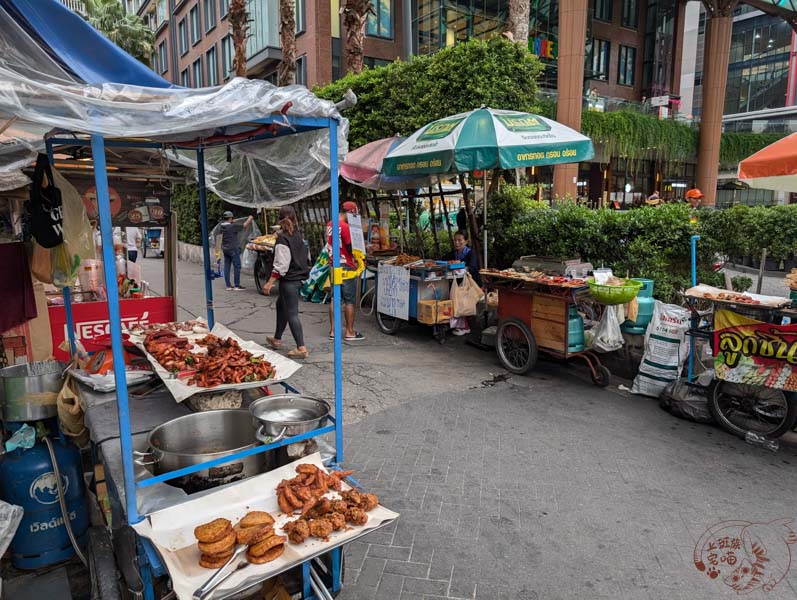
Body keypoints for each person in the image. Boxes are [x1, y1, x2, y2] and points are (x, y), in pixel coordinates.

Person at [262, 206, 310, 359]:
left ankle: (301, 348)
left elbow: (281, 264)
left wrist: (270, 282)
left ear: (279, 219)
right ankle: (277, 339)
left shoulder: (283, 238)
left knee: (292, 313)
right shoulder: (298, 235)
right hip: (299, 276)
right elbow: (306, 256)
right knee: (281, 305)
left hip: (289, 280)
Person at [327, 201, 364, 341]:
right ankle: (349, 332)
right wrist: (356, 259)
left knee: (334, 298)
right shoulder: (345, 227)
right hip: (346, 266)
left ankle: (333, 331)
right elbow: (350, 247)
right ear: (349, 212)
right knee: (349, 300)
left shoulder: (330, 224)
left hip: (333, 264)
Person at [445, 230, 481, 336]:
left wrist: (461, 266)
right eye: (455, 240)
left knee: (459, 298)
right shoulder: (453, 254)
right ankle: (455, 324)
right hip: (458, 284)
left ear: (466, 241)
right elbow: (444, 261)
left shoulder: (471, 253)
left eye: (460, 240)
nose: (457, 243)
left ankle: (465, 327)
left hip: (471, 285)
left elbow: (473, 268)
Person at [220, 210, 253, 291]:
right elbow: (244, 225)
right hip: (233, 248)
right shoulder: (232, 226)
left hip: (225, 248)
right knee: (237, 266)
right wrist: (250, 219)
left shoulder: (221, 226)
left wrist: (232, 221)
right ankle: (237, 285)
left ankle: (228, 286)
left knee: (227, 266)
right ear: (230, 218)